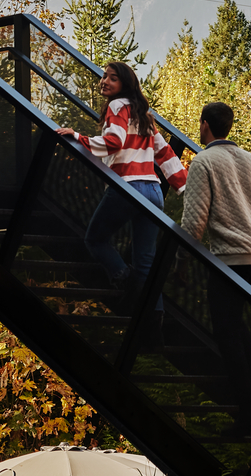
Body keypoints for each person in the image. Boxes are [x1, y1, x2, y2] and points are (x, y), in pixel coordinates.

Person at [180, 101, 251, 438]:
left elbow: (194, 220)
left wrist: (180, 262)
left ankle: (249, 413)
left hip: (232, 257)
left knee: (225, 331)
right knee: (232, 320)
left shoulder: (203, 161)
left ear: (205, 125)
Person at [58, 60, 186, 318]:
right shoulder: (145, 116)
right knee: (146, 266)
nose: (105, 81)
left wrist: (79, 137)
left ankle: (128, 284)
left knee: (95, 239)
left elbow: (114, 142)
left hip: (129, 187)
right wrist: (183, 186)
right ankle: (154, 327)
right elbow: (165, 153)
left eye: (112, 78)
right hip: (153, 191)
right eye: (104, 76)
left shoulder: (117, 106)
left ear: (124, 85)